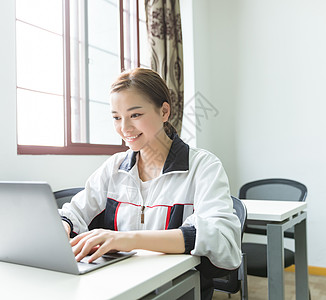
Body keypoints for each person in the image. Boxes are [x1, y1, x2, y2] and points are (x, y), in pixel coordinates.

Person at [59, 68, 241, 299]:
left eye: (135, 115)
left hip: (177, 289)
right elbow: (74, 212)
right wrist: (62, 228)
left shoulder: (203, 166)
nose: (124, 128)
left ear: (164, 111)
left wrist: (124, 239)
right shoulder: (114, 166)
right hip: (119, 286)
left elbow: (221, 239)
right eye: (116, 117)